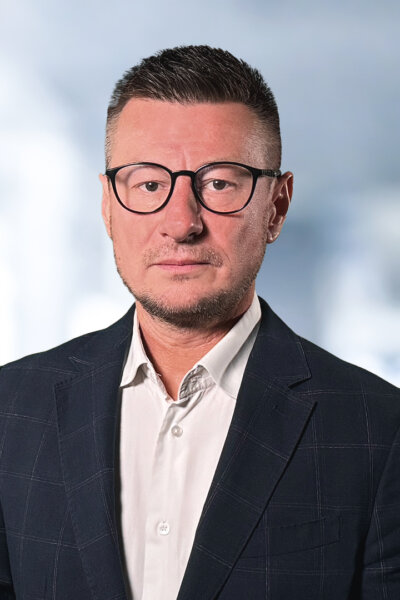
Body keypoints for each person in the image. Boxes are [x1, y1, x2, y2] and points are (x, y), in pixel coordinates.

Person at [0, 45, 399, 600]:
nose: (181, 223)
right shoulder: (11, 409)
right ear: (108, 206)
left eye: (219, 185)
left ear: (277, 207)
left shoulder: (378, 432)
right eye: (148, 185)